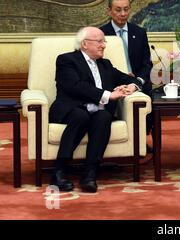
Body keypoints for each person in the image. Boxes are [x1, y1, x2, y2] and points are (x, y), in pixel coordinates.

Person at [49, 27, 142, 193]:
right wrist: (109, 95)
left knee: (103, 117)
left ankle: (90, 173)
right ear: (85, 44)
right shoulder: (67, 60)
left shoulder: (105, 65)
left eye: (104, 41)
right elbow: (75, 87)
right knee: (81, 116)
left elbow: (128, 78)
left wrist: (131, 87)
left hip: (97, 111)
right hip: (71, 108)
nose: (104, 45)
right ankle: (59, 171)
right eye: (100, 41)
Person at [100, 0, 153, 140]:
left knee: (148, 91)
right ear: (109, 11)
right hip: (111, 81)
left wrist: (138, 80)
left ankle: (141, 140)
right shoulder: (100, 33)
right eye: (118, 10)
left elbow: (146, 64)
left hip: (136, 80)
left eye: (126, 9)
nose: (123, 14)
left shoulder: (139, 32)